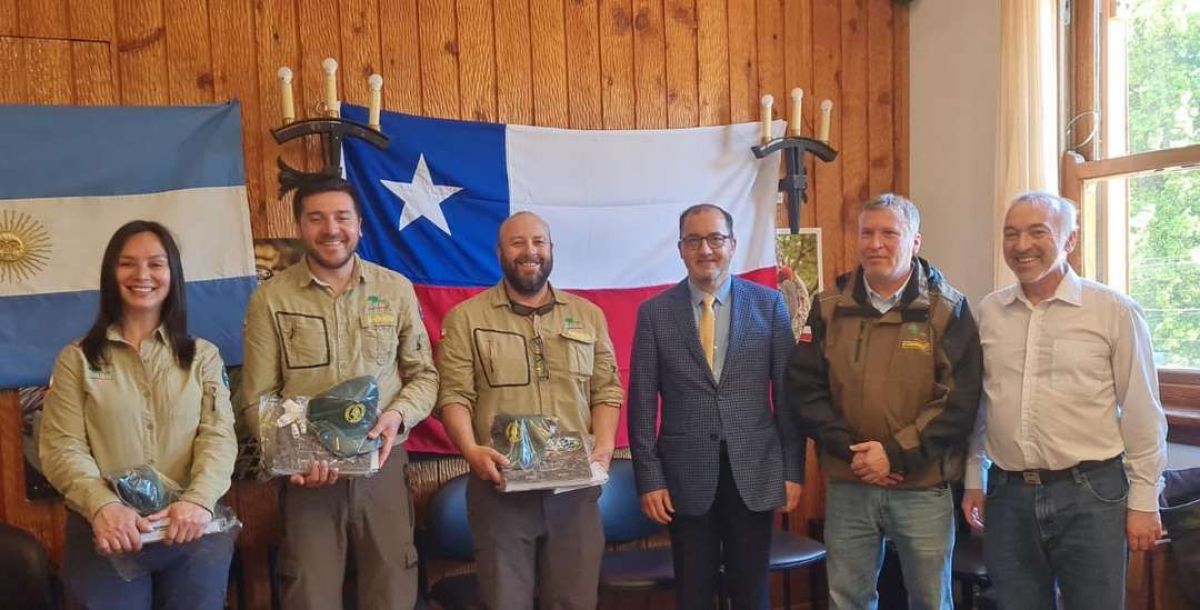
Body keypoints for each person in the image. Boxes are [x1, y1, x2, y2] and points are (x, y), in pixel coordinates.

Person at [240, 177, 439, 610]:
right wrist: (293, 454)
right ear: (299, 227)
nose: (331, 229)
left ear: (360, 225)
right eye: (317, 218)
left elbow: (425, 376)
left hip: (382, 466)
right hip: (307, 477)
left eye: (342, 217)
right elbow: (256, 397)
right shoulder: (270, 299)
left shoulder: (395, 289)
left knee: (392, 587)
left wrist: (397, 417)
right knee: (309, 592)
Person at [962, 192, 1168, 610]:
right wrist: (973, 478)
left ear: (1069, 240)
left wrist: (1144, 501)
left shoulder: (1114, 311)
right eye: (1011, 234)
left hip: (1092, 494)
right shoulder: (988, 312)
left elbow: (1143, 410)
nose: (1022, 246)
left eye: (1038, 232)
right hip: (1008, 493)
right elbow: (979, 406)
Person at [786, 193, 982, 610]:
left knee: (931, 600)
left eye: (889, 233)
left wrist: (893, 455)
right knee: (848, 599)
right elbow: (805, 390)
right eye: (866, 233)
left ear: (915, 242)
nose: (875, 243)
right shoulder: (827, 307)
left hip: (923, 485)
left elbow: (958, 402)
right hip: (849, 480)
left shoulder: (948, 309)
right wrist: (858, 454)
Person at [39, 220, 238, 610]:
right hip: (108, 534)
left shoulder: (203, 357)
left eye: (156, 264)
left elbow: (218, 436)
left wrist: (198, 501)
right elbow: (62, 446)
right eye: (127, 263)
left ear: (172, 274)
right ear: (111, 275)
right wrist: (103, 506)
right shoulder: (76, 359)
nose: (142, 275)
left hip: (192, 532)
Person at [436, 211, 624, 610]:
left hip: (574, 492)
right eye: (517, 243)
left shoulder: (588, 315)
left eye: (538, 242)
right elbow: (453, 396)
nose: (529, 252)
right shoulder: (466, 318)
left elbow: (606, 389)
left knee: (573, 602)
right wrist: (471, 451)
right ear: (500, 252)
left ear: (551, 249)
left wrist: (605, 445)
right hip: (501, 491)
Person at [627, 204, 804, 610]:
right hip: (684, 477)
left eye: (715, 239)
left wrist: (792, 470)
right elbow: (640, 403)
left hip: (755, 472)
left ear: (732, 244)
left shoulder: (770, 305)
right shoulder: (655, 314)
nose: (705, 249)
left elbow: (788, 397)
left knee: (751, 591)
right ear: (681, 248)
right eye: (694, 240)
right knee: (693, 592)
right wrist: (650, 479)